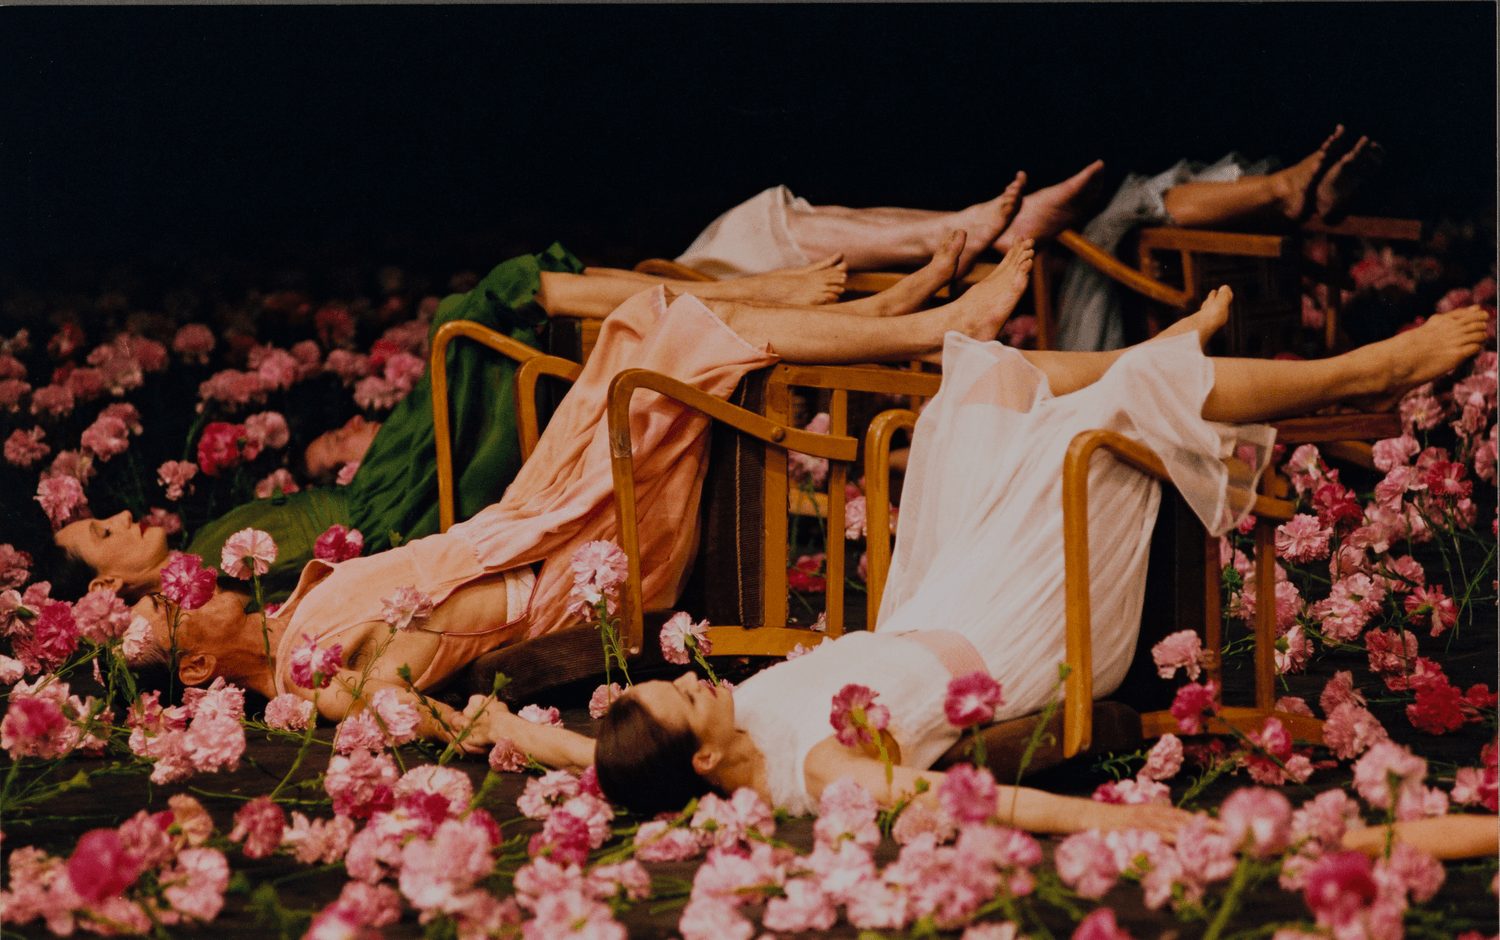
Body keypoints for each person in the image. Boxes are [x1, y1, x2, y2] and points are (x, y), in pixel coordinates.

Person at [446, 290, 1490, 843]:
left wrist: (501, 728)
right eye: (686, 697)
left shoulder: (688, 760)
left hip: (938, 593)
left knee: (982, 379)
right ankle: (1360, 368)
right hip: (1020, 636)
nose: (692, 678)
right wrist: (1128, 824)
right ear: (711, 764)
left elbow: (602, 762)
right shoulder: (819, 771)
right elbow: (977, 810)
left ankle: (1165, 362)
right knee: (1110, 415)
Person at [123, 236, 1044, 738]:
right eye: (181, 614)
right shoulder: (308, 672)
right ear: (200, 665)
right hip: (574, 565)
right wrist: (395, 642)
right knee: (665, 336)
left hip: (534, 522)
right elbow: (404, 698)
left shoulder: (294, 617)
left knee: (648, 315)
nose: (194, 583)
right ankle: (930, 327)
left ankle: (887, 316)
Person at [54, 244, 858, 605]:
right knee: (480, 307)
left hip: (382, 496)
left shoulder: (194, 553)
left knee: (489, 308)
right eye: (100, 530)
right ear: (103, 583)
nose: (122, 515)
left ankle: (754, 298)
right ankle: (763, 297)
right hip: (400, 518)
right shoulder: (187, 599)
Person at [677, 127, 1381, 352]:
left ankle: (1279, 190)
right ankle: (1279, 191)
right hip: (693, 303)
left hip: (694, 295)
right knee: (1123, 205)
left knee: (1120, 208)